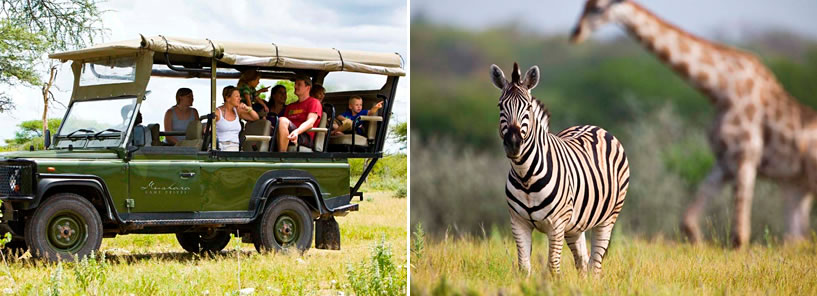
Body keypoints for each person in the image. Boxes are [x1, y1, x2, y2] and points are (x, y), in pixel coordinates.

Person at [276, 76, 322, 152]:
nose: (295, 86)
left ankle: (281, 156)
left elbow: (310, 122)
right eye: (295, 84)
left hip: (304, 136)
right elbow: (282, 126)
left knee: (282, 120)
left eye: (299, 84)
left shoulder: (314, 102)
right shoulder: (290, 106)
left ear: (308, 88)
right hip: (290, 133)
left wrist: (297, 132)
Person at [215, 86, 259, 151]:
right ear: (227, 98)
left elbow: (255, 117)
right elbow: (207, 128)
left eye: (239, 96)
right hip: (221, 148)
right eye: (237, 96)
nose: (240, 98)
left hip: (235, 148)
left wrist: (248, 108)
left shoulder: (237, 111)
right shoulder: (218, 112)